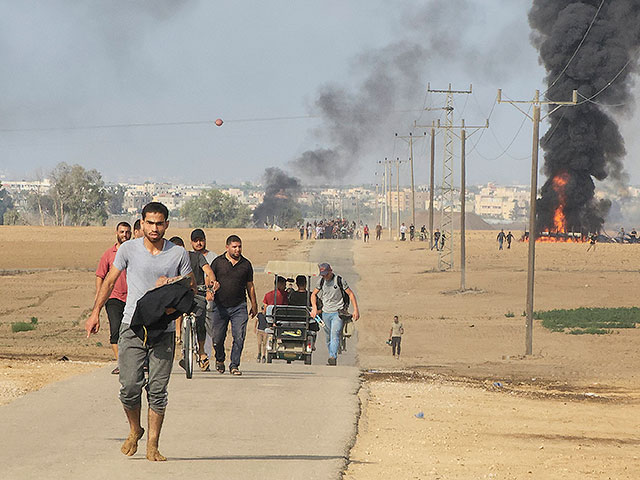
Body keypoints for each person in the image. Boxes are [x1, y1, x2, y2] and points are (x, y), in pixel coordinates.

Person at [85, 202, 194, 462]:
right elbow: (110, 280)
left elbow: (190, 286)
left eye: (160, 223)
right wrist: (95, 313)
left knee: (157, 389)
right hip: (132, 325)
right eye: (150, 223)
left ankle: (153, 445)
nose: (155, 228)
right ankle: (135, 429)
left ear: (167, 224)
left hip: (163, 329)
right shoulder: (128, 249)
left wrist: (170, 287)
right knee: (130, 386)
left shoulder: (178, 254)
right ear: (142, 224)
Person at [210, 235, 258, 376]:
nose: (237, 249)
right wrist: (211, 289)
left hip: (239, 306)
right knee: (217, 338)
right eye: (234, 247)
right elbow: (211, 279)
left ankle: (234, 365)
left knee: (239, 336)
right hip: (219, 306)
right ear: (227, 247)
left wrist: (254, 304)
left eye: (239, 246)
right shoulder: (218, 262)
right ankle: (220, 359)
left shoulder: (246, 264)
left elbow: (250, 286)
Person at [95, 221, 131, 374]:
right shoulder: (109, 254)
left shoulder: (134, 252)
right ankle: (121, 364)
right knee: (115, 330)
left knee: (131, 331)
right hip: (113, 298)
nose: (125, 235)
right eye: (122, 232)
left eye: (127, 232)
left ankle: (136, 362)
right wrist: (99, 298)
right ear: (117, 233)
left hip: (132, 297)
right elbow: (100, 276)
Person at [310, 263, 360, 366]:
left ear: (330, 271)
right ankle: (331, 354)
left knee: (335, 334)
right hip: (325, 313)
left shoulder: (339, 280)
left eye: (326, 274)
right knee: (328, 337)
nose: (325, 277)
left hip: (337, 313)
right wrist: (314, 308)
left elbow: (350, 294)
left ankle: (333, 357)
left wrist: (355, 310)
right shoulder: (321, 281)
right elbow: (313, 294)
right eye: (322, 275)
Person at [185, 231, 216, 371]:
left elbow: (209, 271)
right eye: (195, 241)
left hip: (199, 294)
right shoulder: (175, 258)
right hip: (180, 294)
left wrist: (212, 282)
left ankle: (202, 351)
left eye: (200, 240)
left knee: (201, 322)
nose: (198, 243)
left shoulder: (198, 257)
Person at [256, 276, 288, 363]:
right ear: (279, 284)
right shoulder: (285, 295)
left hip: (270, 322)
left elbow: (264, 311)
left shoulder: (268, 295)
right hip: (282, 321)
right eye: (284, 284)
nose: (285, 286)